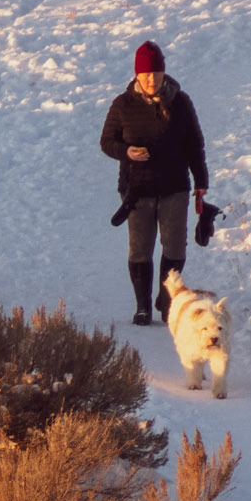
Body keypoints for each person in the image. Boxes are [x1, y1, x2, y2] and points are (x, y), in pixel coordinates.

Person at [100, 41, 210, 327]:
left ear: (164, 72)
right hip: (137, 190)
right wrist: (127, 152)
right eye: (146, 74)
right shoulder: (122, 104)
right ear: (137, 75)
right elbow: (106, 142)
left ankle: (165, 300)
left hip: (175, 187)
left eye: (156, 73)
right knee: (140, 250)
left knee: (175, 248)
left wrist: (201, 182)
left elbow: (194, 144)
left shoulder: (181, 102)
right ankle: (142, 307)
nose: (152, 79)